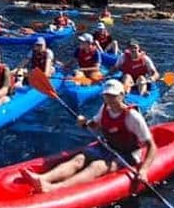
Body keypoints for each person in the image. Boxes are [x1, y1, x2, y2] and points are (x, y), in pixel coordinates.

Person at [21, 79, 157, 193]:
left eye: (113, 96)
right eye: (107, 95)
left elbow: (151, 146)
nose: (109, 99)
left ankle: (53, 188)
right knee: (79, 159)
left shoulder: (132, 116)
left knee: (97, 166)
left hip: (128, 154)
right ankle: (43, 178)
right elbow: (94, 125)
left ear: (121, 95)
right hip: (108, 146)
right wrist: (84, 122)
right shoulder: (104, 108)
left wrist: (144, 170)